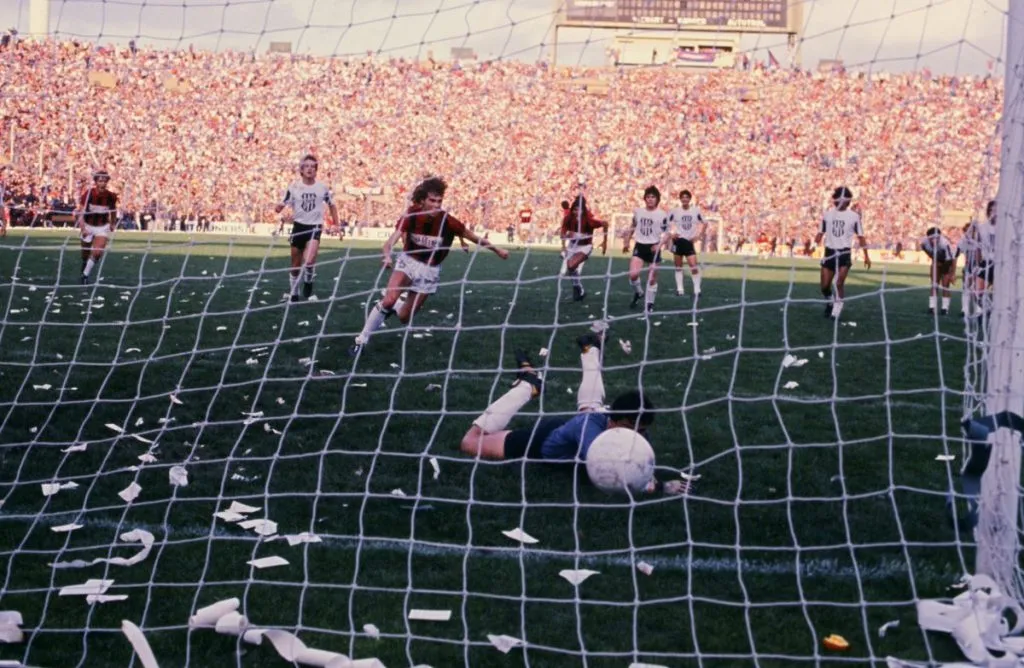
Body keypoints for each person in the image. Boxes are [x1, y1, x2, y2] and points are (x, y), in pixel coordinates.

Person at [458, 325, 689, 495]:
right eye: (631, 428)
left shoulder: (628, 426)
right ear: (614, 421)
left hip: (573, 426)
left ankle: (591, 350)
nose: (637, 435)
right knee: (471, 442)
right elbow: (610, 471)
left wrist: (652, 477)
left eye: (642, 430)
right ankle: (528, 385)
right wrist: (659, 487)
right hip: (538, 442)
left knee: (590, 408)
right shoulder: (592, 431)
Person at [348, 175, 509, 356]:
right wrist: (387, 257)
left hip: (430, 271)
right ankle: (361, 340)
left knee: (403, 317)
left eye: (439, 201)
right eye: (432, 200)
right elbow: (388, 243)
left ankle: (394, 306)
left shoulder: (448, 221)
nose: (436, 205)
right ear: (422, 201)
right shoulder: (411, 215)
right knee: (389, 298)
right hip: (408, 262)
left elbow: (473, 236)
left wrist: (497, 250)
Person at [274, 154, 339, 302]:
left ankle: (308, 282)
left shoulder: (322, 187)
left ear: (316, 170)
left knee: (309, 261)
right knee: (295, 265)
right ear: (301, 170)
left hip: (314, 227)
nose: (310, 169)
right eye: (307, 166)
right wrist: (278, 208)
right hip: (298, 227)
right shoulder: (294, 187)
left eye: (313, 166)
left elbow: (332, 205)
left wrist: (336, 224)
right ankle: (294, 293)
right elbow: (283, 203)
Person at [814, 186, 871, 320]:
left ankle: (837, 309)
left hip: (844, 253)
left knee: (839, 283)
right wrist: (813, 245)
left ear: (847, 201)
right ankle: (830, 302)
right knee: (824, 286)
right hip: (829, 252)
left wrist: (866, 256)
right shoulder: (827, 215)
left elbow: (861, 237)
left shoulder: (854, 217)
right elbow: (820, 233)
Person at [623, 186, 669, 313]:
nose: (650, 199)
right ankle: (639, 292)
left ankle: (649, 304)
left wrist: (659, 245)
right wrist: (627, 241)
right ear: (645, 199)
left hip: (654, 248)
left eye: (653, 197)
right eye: (648, 197)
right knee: (633, 275)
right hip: (640, 246)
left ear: (657, 199)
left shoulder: (662, 215)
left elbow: (667, 234)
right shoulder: (638, 212)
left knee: (652, 278)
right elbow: (632, 226)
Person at [559, 195, 608, 302]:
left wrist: (605, 242)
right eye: (575, 210)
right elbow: (562, 233)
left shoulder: (589, 219)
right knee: (570, 268)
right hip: (572, 246)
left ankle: (578, 288)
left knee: (571, 265)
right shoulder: (568, 218)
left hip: (585, 246)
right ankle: (579, 289)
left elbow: (605, 223)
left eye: (579, 210)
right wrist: (565, 242)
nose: (576, 212)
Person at [77, 170, 118, 285]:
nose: (102, 183)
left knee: (97, 252)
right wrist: (83, 228)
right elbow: (80, 212)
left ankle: (85, 275)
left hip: (102, 227)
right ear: (96, 182)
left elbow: (113, 210)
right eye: (100, 181)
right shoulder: (89, 194)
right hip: (88, 226)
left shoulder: (111, 196)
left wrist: (113, 222)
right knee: (85, 255)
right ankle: (85, 263)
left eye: (105, 181)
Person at [666, 189, 706, 297]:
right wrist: (671, 233)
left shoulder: (696, 211)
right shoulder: (675, 211)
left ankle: (697, 290)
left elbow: (705, 223)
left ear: (689, 199)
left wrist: (699, 235)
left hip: (689, 241)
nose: (684, 199)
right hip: (678, 241)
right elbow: (665, 222)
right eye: (682, 197)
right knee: (678, 266)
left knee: (693, 266)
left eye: (686, 197)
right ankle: (680, 290)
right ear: (680, 199)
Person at [919, 226, 955, 315]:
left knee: (945, 285)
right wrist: (934, 259)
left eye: (936, 238)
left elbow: (951, 260)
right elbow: (925, 249)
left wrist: (951, 273)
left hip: (947, 262)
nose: (934, 240)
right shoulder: (924, 242)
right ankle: (932, 307)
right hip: (936, 261)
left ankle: (945, 308)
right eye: (932, 238)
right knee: (934, 284)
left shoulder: (945, 244)